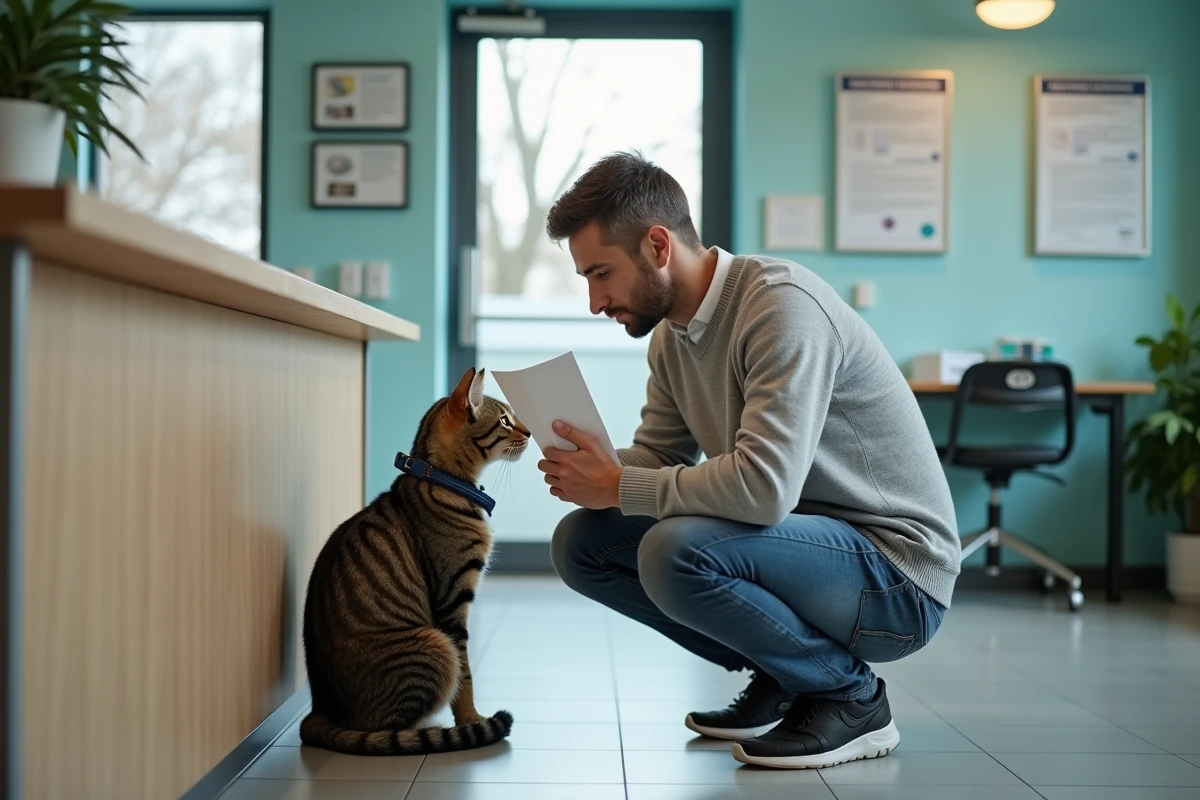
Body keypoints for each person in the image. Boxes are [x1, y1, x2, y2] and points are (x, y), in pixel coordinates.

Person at [535, 151, 961, 770]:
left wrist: (621, 484)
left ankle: (850, 696)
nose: (595, 302)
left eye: (601, 273)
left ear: (658, 245)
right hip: (803, 549)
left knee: (674, 549)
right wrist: (593, 467)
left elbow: (763, 490)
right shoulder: (671, 338)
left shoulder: (780, 307)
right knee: (582, 543)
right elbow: (660, 458)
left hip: (897, 576)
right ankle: (783, 671)